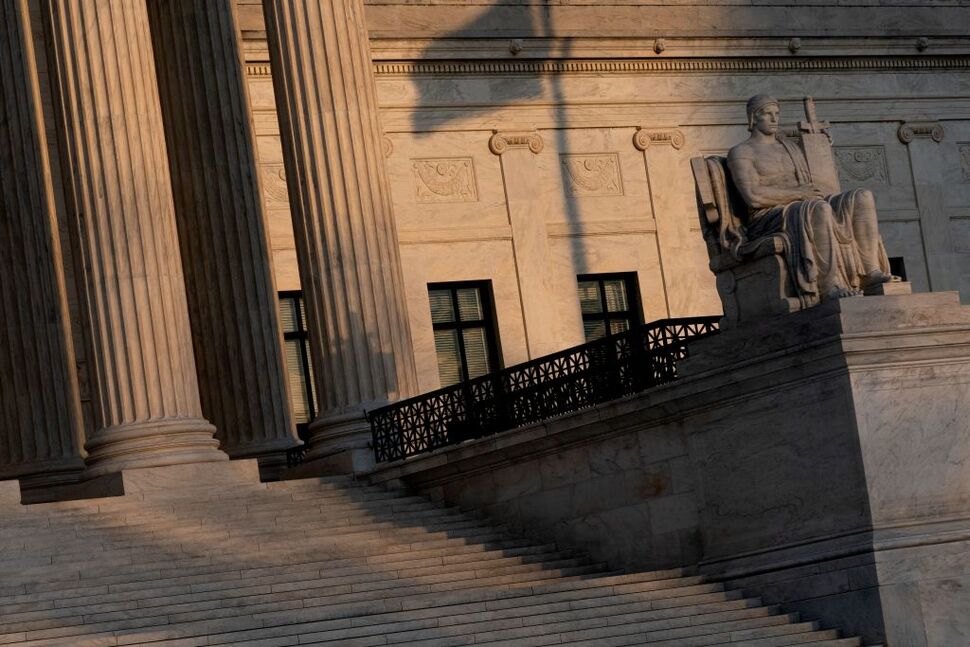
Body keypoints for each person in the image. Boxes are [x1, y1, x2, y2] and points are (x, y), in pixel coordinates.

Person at [727, 95, 894, 300]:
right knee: (818, 209)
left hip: (803, 205)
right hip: (767, 216)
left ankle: (870, 271)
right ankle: (828, 285)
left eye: (777, 114)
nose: (774, 119)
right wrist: (799, 194)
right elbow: (753, 197)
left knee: (862, 197)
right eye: (767, 114)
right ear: (753, 118)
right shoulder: (742, 152)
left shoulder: (789, 147)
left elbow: (815, 185)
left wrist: (820, 147)